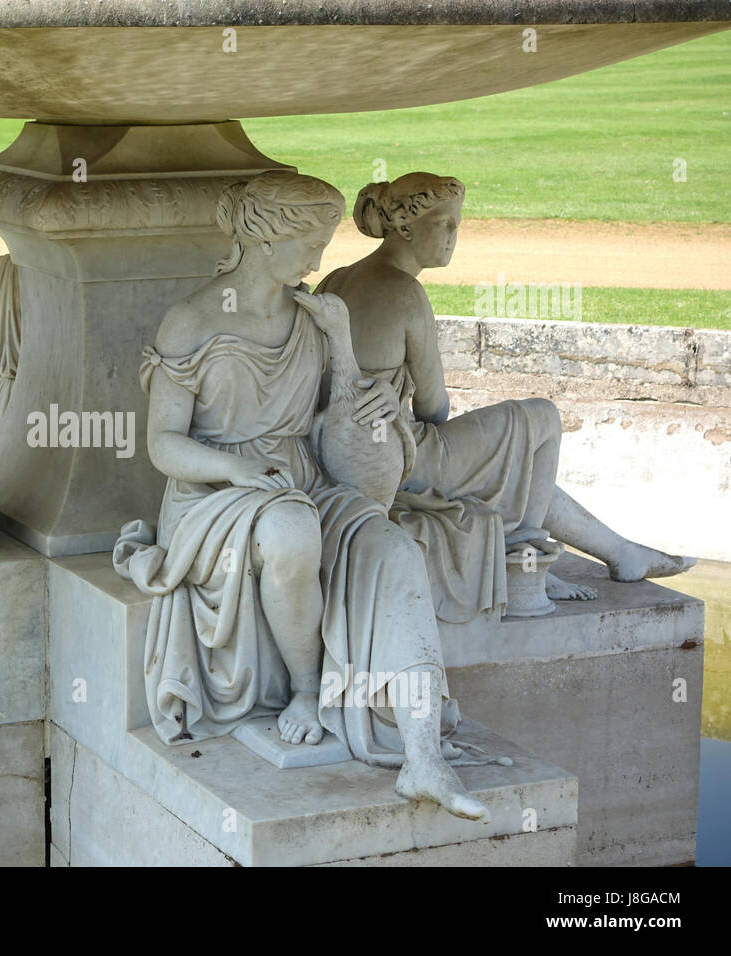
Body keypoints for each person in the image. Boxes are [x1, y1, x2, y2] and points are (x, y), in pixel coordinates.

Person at [114, 171, 495, 822]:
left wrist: (358, 376)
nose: (321, 259)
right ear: (266, 235)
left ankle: (423, 755)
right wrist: (234, 473)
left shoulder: (319, 314)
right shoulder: (192, 322)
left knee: (392, 548)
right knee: (291, 533)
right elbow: (163, 446)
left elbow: (342, 430)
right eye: (310, 243)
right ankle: (304, 689)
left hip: (304, 480)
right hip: (213, 497)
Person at [317, 172, 693, 622]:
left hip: (341, 452)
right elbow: (434, 409)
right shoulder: (405, 293)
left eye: (457, 224)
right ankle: (528, 560)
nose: (455, 236)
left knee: (519, 460)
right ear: (405, 227)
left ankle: (621, 552)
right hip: (404, 457)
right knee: (542, 419)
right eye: (446, 224)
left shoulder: (336, 279)